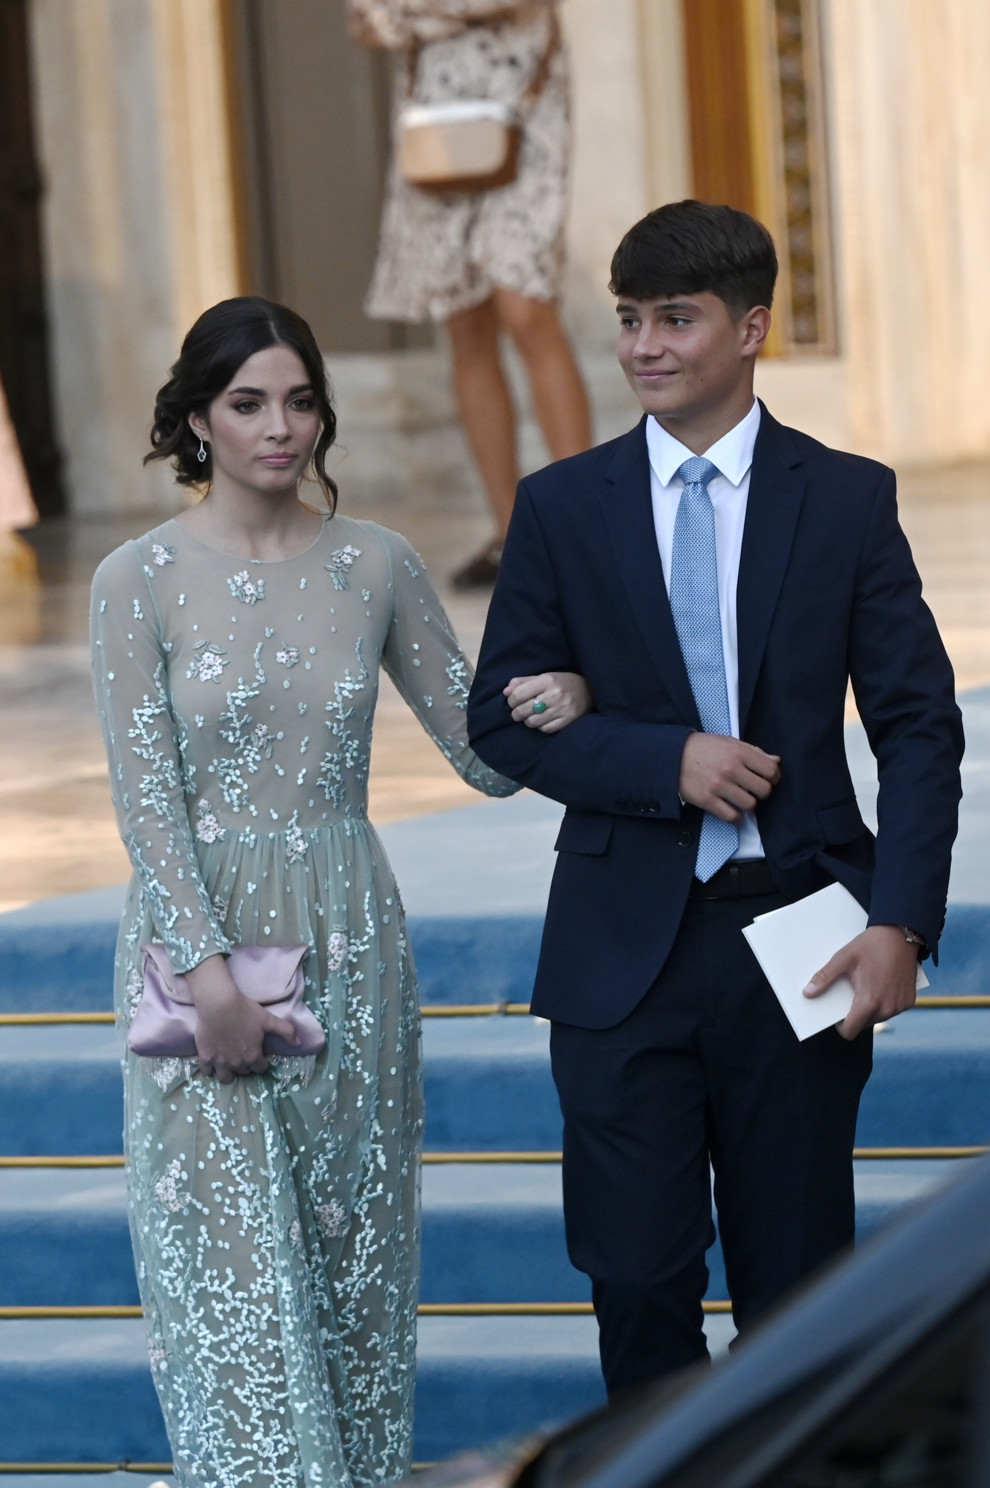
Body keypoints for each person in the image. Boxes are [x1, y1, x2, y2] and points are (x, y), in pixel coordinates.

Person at [89, 296, 589, 1487]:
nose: (280, 427)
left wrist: (562, 698)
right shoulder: (135, 578)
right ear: (198, 420)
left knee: (352, 1283)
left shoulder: (377, 564)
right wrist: (207, 971)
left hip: (350, 947)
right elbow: (146, 799)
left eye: (300, 401)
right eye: (248, 403)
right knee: (235, 1302)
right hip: (197, 953)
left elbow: (480, 754)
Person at [466, 201, 964, 1396]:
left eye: (676, 320)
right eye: (630, 319)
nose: (644, 346)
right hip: (618, 954)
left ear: (749, 329)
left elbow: (918, 725)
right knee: (636, 1282)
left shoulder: (844, 497)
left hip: (800, 938)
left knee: (798, 1296)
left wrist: (902, 922)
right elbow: (499, 720)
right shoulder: (561, 506)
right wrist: (666, 760)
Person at [347, 0, 592, 587]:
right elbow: (366, 19)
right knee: (463, 322)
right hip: (434, 127)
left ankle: (588, 531)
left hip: (525, 108)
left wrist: (419, 12)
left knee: (527, 311)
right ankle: (510, 537)